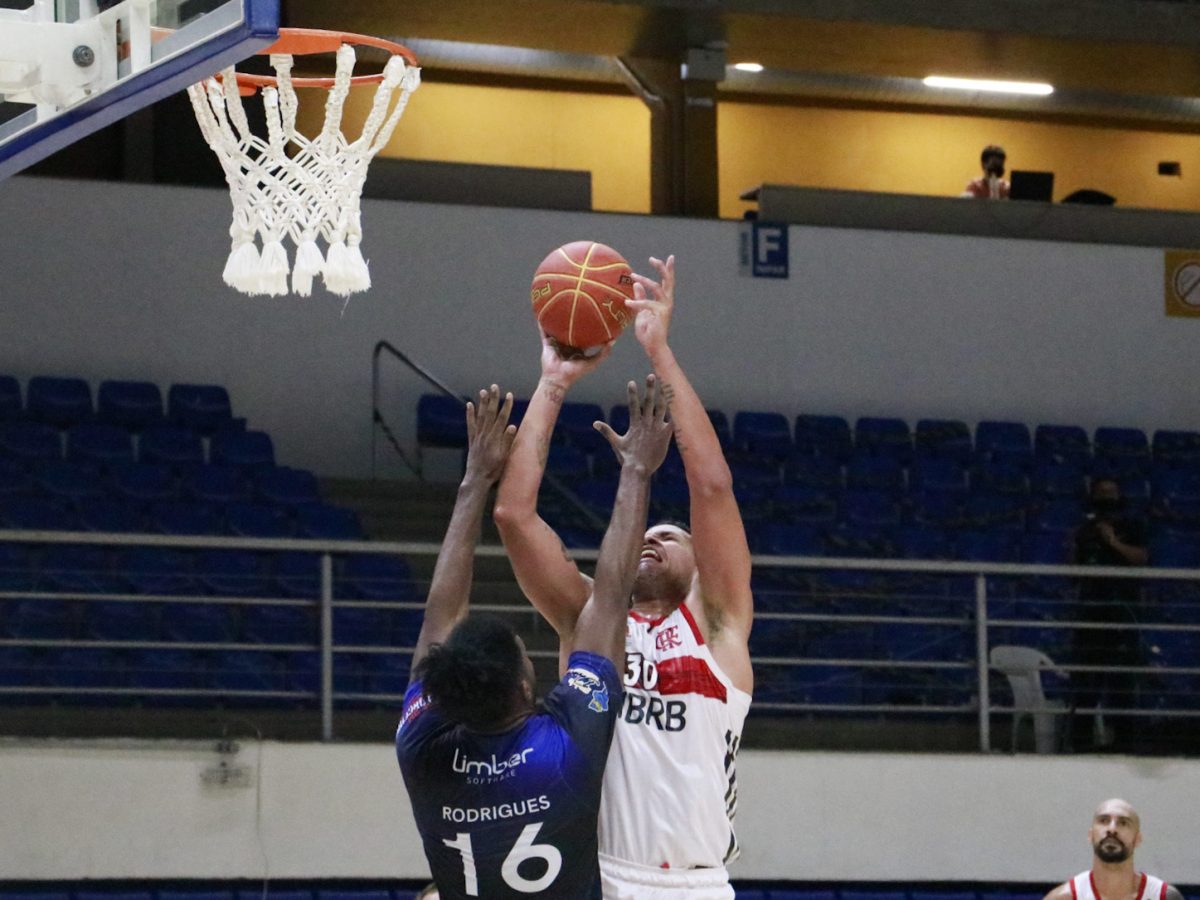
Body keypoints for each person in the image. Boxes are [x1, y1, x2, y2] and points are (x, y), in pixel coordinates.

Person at [494, 255, 754, 899]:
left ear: (700, 569)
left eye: (670, 536)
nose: (652, 539)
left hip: (699, 884)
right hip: (603, 876)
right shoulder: (589, 619)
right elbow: (512, 515)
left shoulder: (717, 624)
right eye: (645, 533)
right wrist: (553, 382)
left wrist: (658, 351)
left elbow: (713, 486)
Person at [396, 379, 672, 900]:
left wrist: (474, 481)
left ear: (443, 698)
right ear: (525, 689)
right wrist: (637, 470)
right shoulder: (561, 749)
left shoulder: (421, 748)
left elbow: (440, 617)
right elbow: (610, 598)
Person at [1071, 477, 1149, 751]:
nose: (1106, 498)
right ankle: (1080, 743)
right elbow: (1073, 571)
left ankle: (1124, 743)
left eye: (1111, 492)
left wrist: (1113, 541)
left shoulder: (1133, 527)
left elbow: (1141, 559)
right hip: (1091, 614)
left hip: (1123, 614)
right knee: (1087, 681)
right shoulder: (1084, 531)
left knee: (1122, 682)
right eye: (1101, 492)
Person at [1042, 799, 1184, 900]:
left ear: (1137, 839)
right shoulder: (1063, 897)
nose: (1112, 829)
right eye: (1104, 821)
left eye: (1123, 823)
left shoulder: (1163, 896)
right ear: (1090, 835)